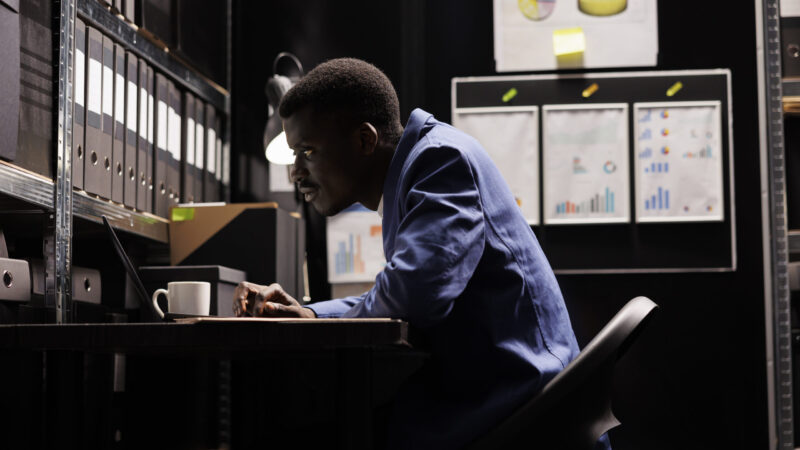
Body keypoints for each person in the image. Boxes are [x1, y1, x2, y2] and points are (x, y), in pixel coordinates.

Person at [233, 58, 598, 449]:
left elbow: (413, 291)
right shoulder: (419, 167)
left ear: (364, 140)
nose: (295, 173)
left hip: (522, 405)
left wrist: (322, 319)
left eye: (308, 151)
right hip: (494, 392)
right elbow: (401, 290)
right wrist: (311, 313)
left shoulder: (439, 160)